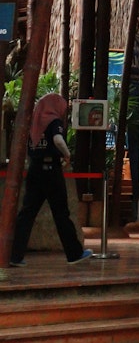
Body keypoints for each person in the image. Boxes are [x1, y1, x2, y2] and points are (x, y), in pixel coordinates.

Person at [9, 94, 93, 266]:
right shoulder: (53, 121)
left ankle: (14, 255)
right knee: (61, 213)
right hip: (51, 171)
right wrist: (67, 154)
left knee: (27, 213)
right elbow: (57, 139)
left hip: (35, 170)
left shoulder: (34, 123)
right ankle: (74, 253)